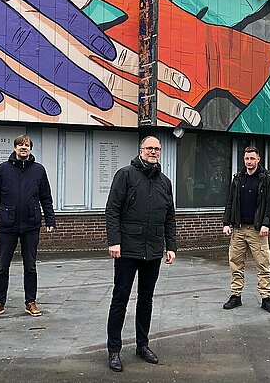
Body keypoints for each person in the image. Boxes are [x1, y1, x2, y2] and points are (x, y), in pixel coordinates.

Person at [105, 136, 176, 372]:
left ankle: (142, 345)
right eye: (150, 148)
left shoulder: (165, 182)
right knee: (120, 299)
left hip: (153, 250)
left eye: (157, 148)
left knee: (146, 300)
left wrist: (171, 246)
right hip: (127, 249)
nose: (153, 152)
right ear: (141, 150)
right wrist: (114, 241)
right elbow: (112, 209)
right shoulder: (125, 175)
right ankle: (114, 349)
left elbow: (170, 217)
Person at [0, 134, 55, 318]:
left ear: (31, 148)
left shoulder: (39, 170)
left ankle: (30, 301)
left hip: (31, 225)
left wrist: (50, 220)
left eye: (27, 145)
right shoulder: (3, 169)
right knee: (2, 266)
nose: (23, 147)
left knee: (30, 266)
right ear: (15, 148)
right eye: (20, 145)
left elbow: (46, 198)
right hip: (7, 225)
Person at [222, 146, 270, 313]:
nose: (249, 162)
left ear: (258, 159)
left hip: (257, 231)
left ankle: (266, 298)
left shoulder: (266, 179)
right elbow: (230, 201)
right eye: (247, 159)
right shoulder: (238, 178)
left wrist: (266, 224)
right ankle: (235, 296)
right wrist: (226, 223)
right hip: (238, 229)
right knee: (235, 263)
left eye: (252, 158)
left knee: (263, 264)